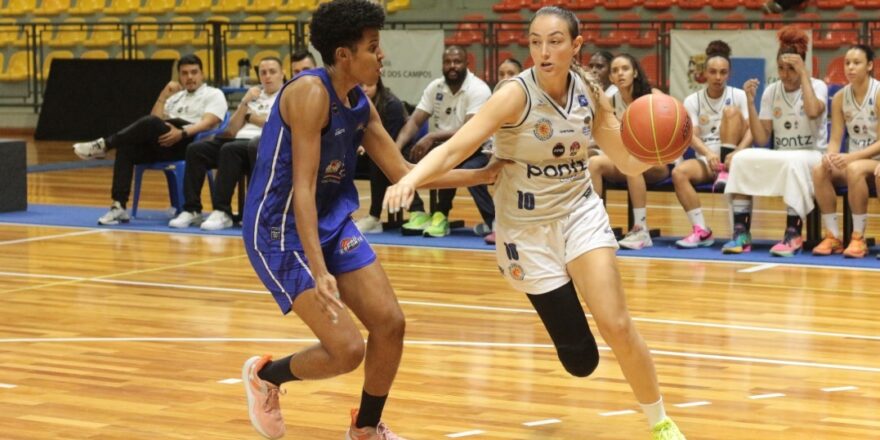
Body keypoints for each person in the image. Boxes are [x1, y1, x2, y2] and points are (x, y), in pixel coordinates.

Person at [383, 7, 685, 439]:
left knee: (617, 324)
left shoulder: (589, 92)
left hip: (579, 213)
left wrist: (658, 150)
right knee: (580, 360)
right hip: (526, 230)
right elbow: (454, 149)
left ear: (576, 46)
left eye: (555, 42)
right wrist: (411, 180)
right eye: (535, 41)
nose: (543, 52)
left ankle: (661, 423)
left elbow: (623, 158)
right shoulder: (514, 95)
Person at [239, 1, 500, 439]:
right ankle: (266, 376)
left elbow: (404, 172)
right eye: (373, 46)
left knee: (390, 324)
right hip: (280, 232)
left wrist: (484, 173)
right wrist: (320, 271)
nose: (382, 56)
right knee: (346, 350)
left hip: (331, 222)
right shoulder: (310, 94)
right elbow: (302, 188)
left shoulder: (359, 102)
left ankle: (364, 428)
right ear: (344, 55)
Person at [72, 54, 227, 225]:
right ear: (179, 76)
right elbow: (153, 121)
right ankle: (119, 206)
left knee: (151, 123)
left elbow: (209, 122)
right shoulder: (176, 97)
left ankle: (105, 145)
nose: (189, 77)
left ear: (202, 74)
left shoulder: (213, 94)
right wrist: (163, 96)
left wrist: (182, 133)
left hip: (191, 143)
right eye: (184, 73)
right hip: (165, 140)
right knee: (126, 148)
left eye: (194, 72)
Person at [725, 26, 828, 256]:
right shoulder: (771, 91)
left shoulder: (817, 86)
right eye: (781, 68)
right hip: (782, 154)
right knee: (742, 158)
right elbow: (762, 138)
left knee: (794, 163)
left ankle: (793, 234)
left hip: (813, 154)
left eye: (791, 68)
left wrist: (803, 76)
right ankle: (741, 232)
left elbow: (813, 111)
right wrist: (750, 103)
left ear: (802, 66)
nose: (785, 74)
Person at [169, 56, 285, 230]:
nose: (267, 76)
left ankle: (222, 211)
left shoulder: (286, 95)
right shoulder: (254, 95)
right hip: (237, 142)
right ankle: (192, 209)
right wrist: (244, 103)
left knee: (229, 149)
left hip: (263, 145)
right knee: (196, 149)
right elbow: (231, 130)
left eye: (272, 72)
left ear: (282, 74)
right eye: (263, 73)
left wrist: (250, 117)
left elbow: (275, 124)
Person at [394, 45, 496, 238]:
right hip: (445, 148)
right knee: (399, 157)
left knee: (458, 165)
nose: (452, 66)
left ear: (467, 63)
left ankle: (446, 215)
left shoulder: (478, 89)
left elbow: (469, 131)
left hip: (478, 149)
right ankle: (418, 212)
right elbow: (415, 121)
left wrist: (432, 136)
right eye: (447, 62)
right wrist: (395, 149)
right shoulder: (435, 87)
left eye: (457, 62)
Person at [673, 41, 752, 249]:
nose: (718, 77)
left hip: (735, 160)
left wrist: (737, 153)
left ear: (729, 74)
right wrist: (708, 154)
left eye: (723, 72)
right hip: (709, 161)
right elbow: (691, 135)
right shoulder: (692, 100)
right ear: (704, 74)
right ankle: (701, 231)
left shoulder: (738, 95)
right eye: (713, 72)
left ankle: (741, 232)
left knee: (731, 112)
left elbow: (752, 130)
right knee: (679, 173)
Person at [588, 53, 667, 250]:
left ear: (635, 73)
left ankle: (641, 229)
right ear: (611, 78)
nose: (620, 73)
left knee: (633, 163)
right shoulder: (610, 102)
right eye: (615, 70)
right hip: (628, 159)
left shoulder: (653, 96)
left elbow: (676, 122)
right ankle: (597, 227)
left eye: (625, 69)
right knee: (594, 163)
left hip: (659, 160)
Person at [811, 44, 880, 258]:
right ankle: (832, 236)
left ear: (869, 66)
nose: (850, 67)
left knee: (854, 169)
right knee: (819, 169)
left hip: (875, 160)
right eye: (847, 63)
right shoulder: (840, 97)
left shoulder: (878, 93)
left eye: (856, 63)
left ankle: (858, 237)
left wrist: (851, 157)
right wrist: (830, 156)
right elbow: (835, 138)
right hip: (854, 161)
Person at [354, 78, 408, 234]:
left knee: (379, 161)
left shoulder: (392, 104)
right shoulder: (353, 102)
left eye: (369, 84)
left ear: (378, 84)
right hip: (363, 152)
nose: (364, 88)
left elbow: (389, 140)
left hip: (396, 150)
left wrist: (365, 146)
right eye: (360, 85)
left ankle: (374, 217)